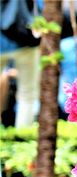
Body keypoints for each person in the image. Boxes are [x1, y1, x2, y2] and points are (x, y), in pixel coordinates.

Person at [0, 0, 41, 128]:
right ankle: (22, 137)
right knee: (27, 94)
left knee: (27, 94)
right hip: (24, 39)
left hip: (2, 40)